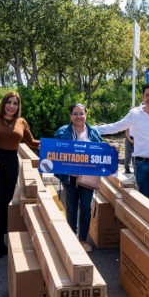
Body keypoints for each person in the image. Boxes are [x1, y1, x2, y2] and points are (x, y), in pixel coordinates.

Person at [94, 84, 149, 210]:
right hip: (142, 165)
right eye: (147, 95)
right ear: (142, 97)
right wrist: (89, 129)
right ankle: (144, 230)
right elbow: (115, 126)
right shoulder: (135, 113)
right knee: (143, 203)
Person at [0, 91, 39, 257]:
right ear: (3, 103)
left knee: (6, 200)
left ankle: (3, 238)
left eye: (15, 103)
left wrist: (53, 145)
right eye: (9, 102)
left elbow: (32, 142)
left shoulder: (22, 122)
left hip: (11, 163)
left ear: (18, 106)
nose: (12, 106)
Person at [54, 103, 103, 252]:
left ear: (86, 115)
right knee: (71, 207)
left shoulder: (93, 132)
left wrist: (111, 149)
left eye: (81, 113)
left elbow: (101, 151)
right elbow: (55, 150)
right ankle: (71, 238)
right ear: (70, 116)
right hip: (70, 177)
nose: (78, 116)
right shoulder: (63, 132)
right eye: (75, 113)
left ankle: (82, 240)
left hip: (88, 177)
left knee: (86, 207)